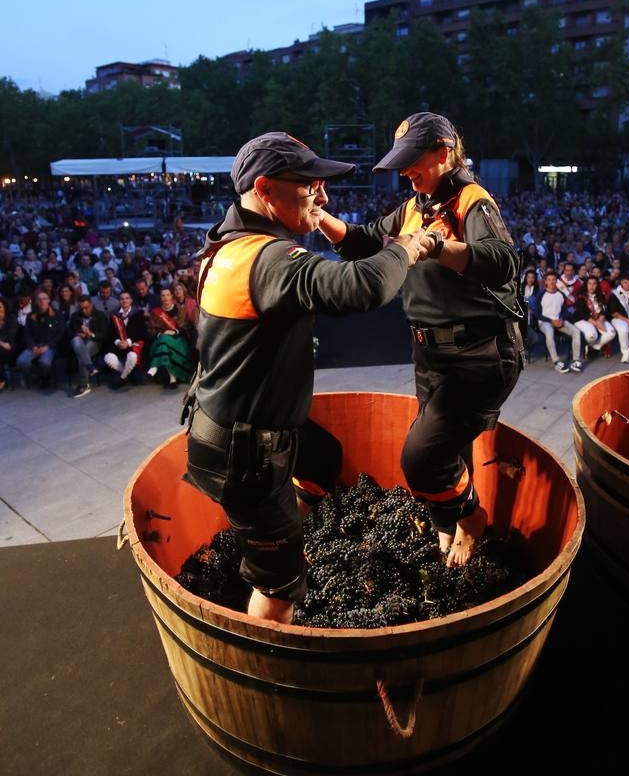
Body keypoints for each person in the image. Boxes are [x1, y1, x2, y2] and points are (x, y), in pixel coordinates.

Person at [184, 131, 426, 625]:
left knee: (324, 458)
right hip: (243, 455)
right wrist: (406, 245)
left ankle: (286, 537)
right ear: (267, 189)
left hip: (237, 430)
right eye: (310, 184)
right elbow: (363, 286)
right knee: (279, 591)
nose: (323, 194)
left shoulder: (225, 244)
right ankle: (265, 651)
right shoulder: (267, 258)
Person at [317, 112, 524, 567]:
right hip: (430, 353)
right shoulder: (414, 207)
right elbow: (364, 240)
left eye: (414, 161)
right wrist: (318, 216)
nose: (406, 171)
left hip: (478, 354)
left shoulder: (472, 201)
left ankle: (470, 520)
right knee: (451, 448)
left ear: (444, 152)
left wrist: (434, 246)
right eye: (402, 162)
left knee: (421, 457)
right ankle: (446, 528)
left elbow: (502, 260)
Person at [533, 272, 584, 373]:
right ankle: (556, 362)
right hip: (544, 321)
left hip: (559, 320)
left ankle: (575, 360)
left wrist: (561, 319)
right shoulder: (541, 294)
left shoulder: (561, 294)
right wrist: (551, 321)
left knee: (576, 332)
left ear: (556, 281)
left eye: (553, 279)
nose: (552, 282)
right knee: (549, 333)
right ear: (546, 282)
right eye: (549, 280)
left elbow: (564, 311)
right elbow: (537, 313)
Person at [146, 288, 194, 388]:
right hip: (160, 340)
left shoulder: (180, 310)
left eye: (168, 295)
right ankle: (173, 378)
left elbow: (187, 327)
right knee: (163, 341)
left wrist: (175, 331)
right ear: (160, 298)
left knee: (163, 341)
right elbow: (151, 329)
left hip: (178, 341)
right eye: (163, 295)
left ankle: (154, 366)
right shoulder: (155, 312)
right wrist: (162, 333)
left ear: (172, 296)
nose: (165, 298)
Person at [16, 290, 65, 387]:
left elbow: (61, 333)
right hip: (35, 345)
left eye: (44, 299)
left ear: (49, 300)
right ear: (36, 302)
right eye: (39, 300)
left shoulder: (57, 314)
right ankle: (37, 377)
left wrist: (47, 347)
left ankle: (46, 377)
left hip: (50, 346)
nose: (42, 301)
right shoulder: (31, 316)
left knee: (45, 362)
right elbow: (27, 334)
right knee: (21, 362)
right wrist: (33, 346)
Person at [69, 295, 109, 397]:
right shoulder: (75, 316)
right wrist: (79, 334)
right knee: (76, 341)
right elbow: (70, 333)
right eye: (81, 308)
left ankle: (84, 385)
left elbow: (104, 334)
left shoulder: (100, 315)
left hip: (94, 342)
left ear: (91, 304)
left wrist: (90, 334)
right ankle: (90, 368)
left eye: (86, 308)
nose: (84, 310)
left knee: (82, 353)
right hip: (79, 342)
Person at [104, 290, 147, 384]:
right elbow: (111, 333)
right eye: (122, 299)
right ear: (119, 301)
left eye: (127, 298)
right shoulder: (114, 315)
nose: (124, 301)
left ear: (131, 300)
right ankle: (126, 373)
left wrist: (128, 342)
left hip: (132, 344)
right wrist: (118, 342)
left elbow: (141, 332)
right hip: (119, 345)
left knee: (132, 356)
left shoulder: (138, 313)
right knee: (108, 357)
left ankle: (122, 378)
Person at [573, 276, 616, 354]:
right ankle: (590, 344)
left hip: (598, 318)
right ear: (586, 285)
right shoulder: (581, 296)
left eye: (594, 284)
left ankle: (594, 347)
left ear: (597, 285)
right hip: (583, 319)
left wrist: (601, 320)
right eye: (589, 284)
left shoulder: (600, 295)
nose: (591, 286)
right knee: (592, 336)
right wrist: (597, 324)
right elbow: (582, 313)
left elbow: (603, 310)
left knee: (611, 333)